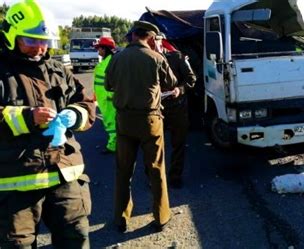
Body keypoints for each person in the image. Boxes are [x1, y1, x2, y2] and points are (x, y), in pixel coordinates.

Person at [0, 0, 96, 248]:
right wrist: (26, 118)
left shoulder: (57, 69)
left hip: (64, 174)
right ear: (12, 35)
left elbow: (85, 102)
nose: (39, 48)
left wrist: (74, 115)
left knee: (76, 238)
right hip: (14, 183)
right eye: (31, 40)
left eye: (45, 41)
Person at [105, 20, 177, 233]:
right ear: (151, 38)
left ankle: (120, 219)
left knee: (123, 171)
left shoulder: (116, 58)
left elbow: (109, 85)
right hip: (150, 121)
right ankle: (161, 217)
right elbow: (171, 83)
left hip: (124, 121)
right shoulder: (156, 57)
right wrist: (157, 54)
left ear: (133, 35)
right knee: (156, 169)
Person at [160, 39, 197, 188]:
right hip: (156, 108)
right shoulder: (145, 57)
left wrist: (179, 90)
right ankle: (155, 177)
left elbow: (191, 79)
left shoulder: (177, 57)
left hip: (177, 107)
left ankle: (175, 176)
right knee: (153, 146)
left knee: (178, 144)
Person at [93, 36, 116, 154]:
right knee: (108, 121)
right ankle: (114, 142)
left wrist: (111, 95)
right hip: (103, 97)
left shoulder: (112, 61)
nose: (98, 51)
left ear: (105, 48)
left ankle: (113, 145)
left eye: (99, 48)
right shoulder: (107, 61)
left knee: (111, 122)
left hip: (108, 98)